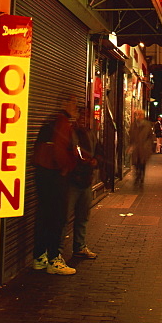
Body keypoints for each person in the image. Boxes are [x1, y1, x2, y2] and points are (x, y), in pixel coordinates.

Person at [31, 96, 79, 275]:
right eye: (73, 103)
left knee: (44, 216)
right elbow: (60, 149)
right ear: (64, 104)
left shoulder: (50, 119)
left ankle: (39, 256)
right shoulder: (62, 122)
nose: (76, 107)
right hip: (54, 175)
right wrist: (65, 168)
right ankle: (54, 259)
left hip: (42, 172)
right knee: (57, 217)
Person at [68, 103, 99, 260]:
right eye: (82, 115)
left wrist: (95, 162)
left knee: (83, 215)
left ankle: (79, 246)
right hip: (73, 180)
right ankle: (56, 252)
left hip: (86, 179)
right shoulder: (72, 132)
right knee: (65, 217)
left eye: (87, 116)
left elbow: (97, 151)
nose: (85, 119)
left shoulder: (90, 133)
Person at [128, 110, 154, 189]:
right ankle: (137, 177)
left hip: (144, 148)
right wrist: (130, 146)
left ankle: (141, 178)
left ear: (143, 116)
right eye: (137, 115)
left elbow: (150, 137)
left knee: (142, 164)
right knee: (136, 164)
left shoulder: (147, 125)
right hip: (136, 148)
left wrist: (148, 147)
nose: (138, 116)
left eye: (140, 115)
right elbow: (131, 136)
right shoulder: (133, 125)